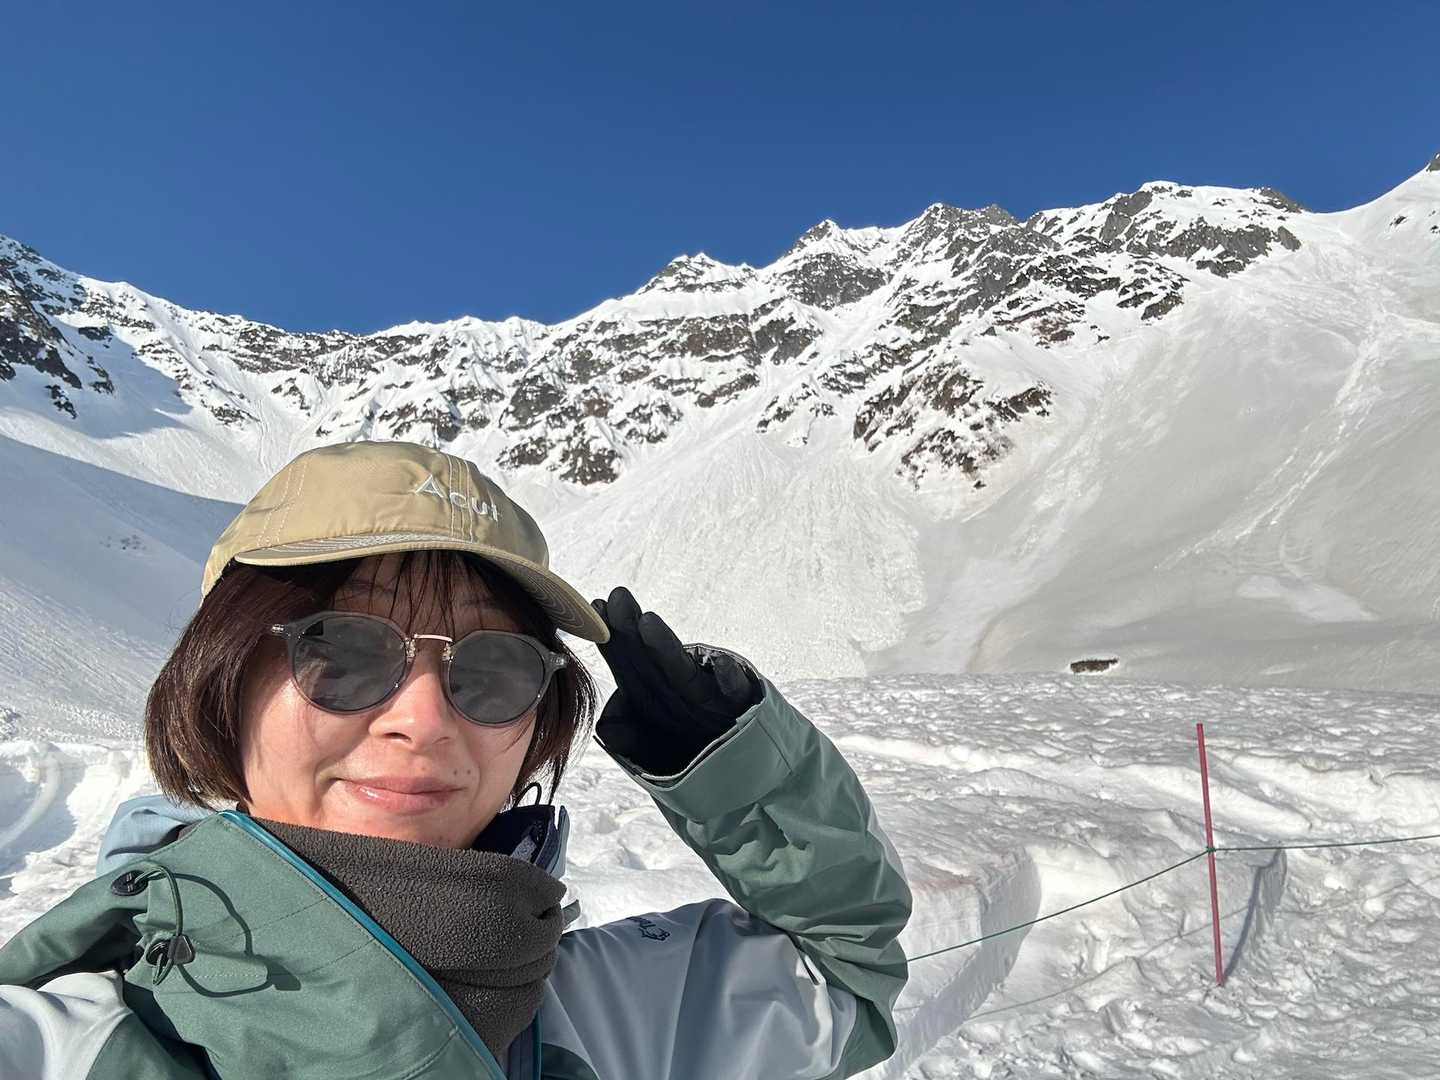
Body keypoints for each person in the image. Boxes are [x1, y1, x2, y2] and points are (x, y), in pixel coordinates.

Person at [0, 439, 911, 1080]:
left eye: (496, 669)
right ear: (220, 685)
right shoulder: (70, 1045)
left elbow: (844, 973)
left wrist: (734, 771)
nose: (426, 719)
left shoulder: (609, 1012)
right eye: (341, 653)